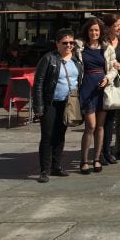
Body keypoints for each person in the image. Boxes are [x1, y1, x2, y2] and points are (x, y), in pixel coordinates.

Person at [32, 28, 83, 183]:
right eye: (65, 43)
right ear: (57, 44)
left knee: (60, 135)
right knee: (47, 136)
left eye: (71, 43)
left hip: (68, 104)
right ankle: (44, 170)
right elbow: (38, 83)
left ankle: (57, 166)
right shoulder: (48, 59)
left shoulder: (76, 60)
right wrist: (38, 106)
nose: (69, 45)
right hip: (50, 103)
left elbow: (79, 81)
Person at [78, 17, 118, 174]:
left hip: (103, 88)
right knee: (90, 126)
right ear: (87, 32)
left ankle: (96, 158)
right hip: (87, 87)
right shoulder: (79, 47)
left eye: (96, 30)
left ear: (100, 32)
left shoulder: (107, 48)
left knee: (100, 126)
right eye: (91, 30)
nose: (94, 32)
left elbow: (114, 68)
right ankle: (84, 160)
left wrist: (108, 78)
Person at [101, 13, 120, 164]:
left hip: (117, 86)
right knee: (102, 121)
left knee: (114, 119)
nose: (119, 28)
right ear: (108, 27)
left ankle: (109, 150)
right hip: (103, 85)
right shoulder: (102, 42)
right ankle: (101, 152)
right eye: (116, 25)